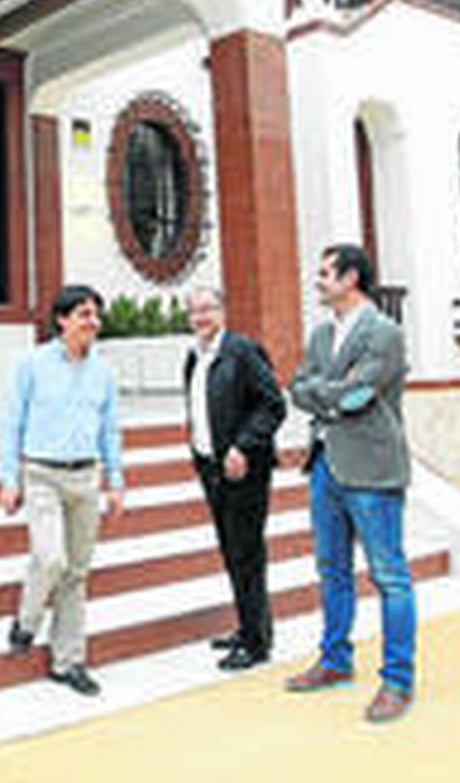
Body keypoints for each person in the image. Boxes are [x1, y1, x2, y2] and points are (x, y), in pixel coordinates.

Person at [285, 244, 415, 724]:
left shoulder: (385, 332)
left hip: (373, 470)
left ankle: (397, 681)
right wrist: (329, 394)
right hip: (325, 465)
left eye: (325, 273)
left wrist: (323, 393)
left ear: (351, 278)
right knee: (332, 570)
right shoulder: (321, 334)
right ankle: (335, 661)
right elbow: (297, 388)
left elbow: (360, 395)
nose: (317, 281)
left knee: (389, 576)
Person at [0, 284, 126, 697]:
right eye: (85, 314)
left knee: (76, 573)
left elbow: (110, 430)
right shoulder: (32, 364)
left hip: (85, 477)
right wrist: (9, 479)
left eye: (96, 315)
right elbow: (10, 424)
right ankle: (27, 621)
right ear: (62, 320)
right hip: (41, 475)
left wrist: (116, 481)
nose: (94, 322)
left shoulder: (104, 372)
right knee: (51, 558)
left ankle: (67, 662)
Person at [182, 286, 286, 672]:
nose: (201, 317)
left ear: (223, 311)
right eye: (194, 311)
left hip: (244, 469)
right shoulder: (195, 357)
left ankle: (256, 643)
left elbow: (273, 404)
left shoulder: (242, 351)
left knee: (246, 553)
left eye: (208, 309)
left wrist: (243, 446)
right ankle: (248, 627)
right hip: (211, 467)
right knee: (231, 550)